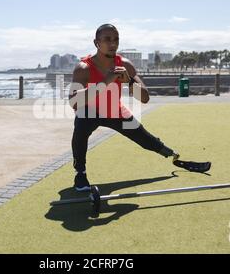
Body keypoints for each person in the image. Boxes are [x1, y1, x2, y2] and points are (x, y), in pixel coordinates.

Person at [69, 24, 190, 192]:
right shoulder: (84, 67)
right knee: (81, 128)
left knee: (145, 139)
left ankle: (169, 152)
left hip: (115, 111)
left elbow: (145, 98)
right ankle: (80, 173)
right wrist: (106, 81)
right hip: (90, 111)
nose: (113, 43)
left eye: (116, 39)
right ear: (97, 43)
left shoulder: (125, 65)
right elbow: (74, 101)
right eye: (107, 39)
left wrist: (129, 82)